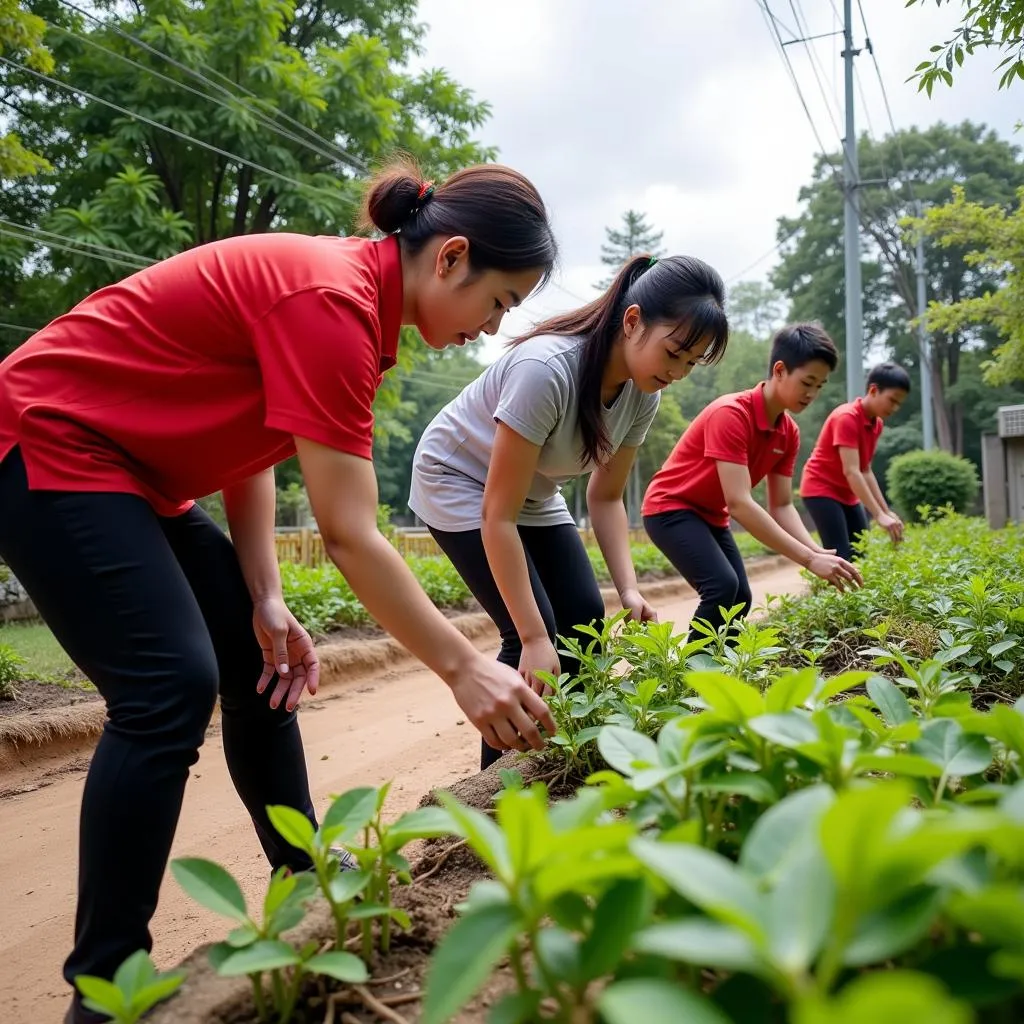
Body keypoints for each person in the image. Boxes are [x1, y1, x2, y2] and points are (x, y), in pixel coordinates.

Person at [0, 157, 559, 1024]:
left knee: (257, 662)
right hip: (49, 437)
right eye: (498, 304)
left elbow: (257, 445)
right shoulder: (331, 302)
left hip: (134, 473)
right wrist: (462, 667)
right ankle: (104, 990)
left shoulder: (356, 309)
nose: (490, 330)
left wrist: (264, 595)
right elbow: (349, 535)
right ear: (450, 258)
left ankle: (307, 884)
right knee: (166, 687)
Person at [409, 254, 729, 769]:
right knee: (528, 635)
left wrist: (627, 588)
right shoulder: (548, 370)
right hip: (460, 480)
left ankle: (567, 763)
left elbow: (605, 497)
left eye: (690, 364)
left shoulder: (642, 394)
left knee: (583, 626)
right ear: (632, 321)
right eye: (674, 353)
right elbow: (497, 515)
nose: (677, 372)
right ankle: (498, 793)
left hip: (531, 492)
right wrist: (536, 636)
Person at [642, 322, 863, 640]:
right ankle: (690, 680)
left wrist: (816, 550)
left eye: (820, 386)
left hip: (710, 516)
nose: (812, 394)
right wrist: (808, 558)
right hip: (670, 508)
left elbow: (783, 505)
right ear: (780, 370)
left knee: (740, 598)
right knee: (721, 587)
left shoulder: (789, 433)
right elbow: (740, 503)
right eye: (807, 382)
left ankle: (721, 676)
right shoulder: (731, 414)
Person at [800, 361, 911, 560]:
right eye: (892, 400)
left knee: (861, 553)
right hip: (820, 490)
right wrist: (878, 515)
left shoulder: (876, 424)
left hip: (847, 494)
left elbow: (865, 470)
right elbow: (851, 471)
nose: (895, 408)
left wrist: (886, 512)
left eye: (899, 404)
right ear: (874, 390)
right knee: (841, 555)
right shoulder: (847, 418)